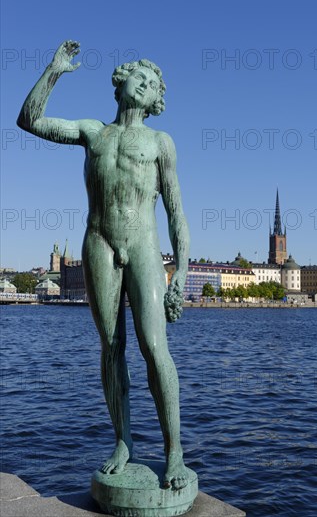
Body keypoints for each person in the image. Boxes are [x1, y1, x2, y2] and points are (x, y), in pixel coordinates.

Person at [17, 40, 190, 490]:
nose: (144, 83)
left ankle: (174, 452)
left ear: (155, 101)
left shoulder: (159, 143)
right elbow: (29, 120)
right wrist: (53, 71)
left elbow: (175, 212)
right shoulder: (94, 132)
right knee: (111, 347)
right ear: (121, 84)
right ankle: (124, 441)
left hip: (146, 248)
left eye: (152, 83)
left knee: (154, 347)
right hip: (99, 243)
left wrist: (183, 272)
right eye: (139, 76)